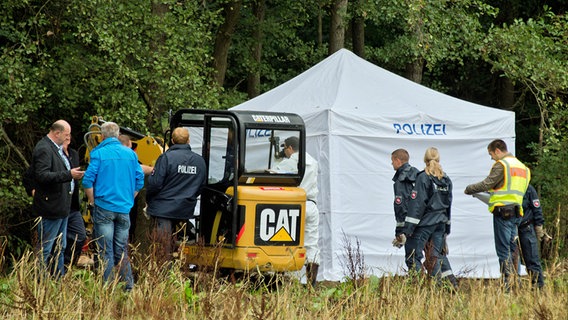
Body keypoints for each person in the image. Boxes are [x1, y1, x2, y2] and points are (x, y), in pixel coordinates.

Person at [82, 122, 144, 291]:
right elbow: (139, 180)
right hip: (124, 208)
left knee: (105, 250)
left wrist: (92, 200)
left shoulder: (98, 153)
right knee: (121, 250)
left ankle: (107, 290)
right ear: (117, 135)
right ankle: (128, 288)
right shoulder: (131, 155)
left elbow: (87, 180)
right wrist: (129, 198)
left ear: (102, 136)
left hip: (104, 207)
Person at [464, 139, 530, 292]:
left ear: (498, 150)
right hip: (516, 213)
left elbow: (488, 183)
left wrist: (469, 189)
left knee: (503, 250)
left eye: (491, 154)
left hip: (503, 213)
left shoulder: (502, 165)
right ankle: (516, 283)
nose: (492, 158)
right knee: (513, 248)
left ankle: (506, 285)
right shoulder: (524, 168)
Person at [391, 149, 458, 289]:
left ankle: (418, 288)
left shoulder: (423, 177)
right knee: (436, 256)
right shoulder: (445, 179)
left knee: (414, 256)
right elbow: (448, 205)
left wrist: (406, 230)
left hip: (426, 224)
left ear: (424, 159)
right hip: (440, 224)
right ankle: (449, 286)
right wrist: (446, 229)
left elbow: (417, 205)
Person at [31, 120, 84, 277]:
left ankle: (57, 280)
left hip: (62, 208)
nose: (69, 138)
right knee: (46, 248)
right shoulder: (44, 149)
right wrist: (69, 175)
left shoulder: (57, 149)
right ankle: (38, 283)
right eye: (66, 135)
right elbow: (41, 175)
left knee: (60, 247)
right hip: (50, 208)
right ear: (57, 133)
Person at [145, 127, 206, 259]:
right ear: (188, 140)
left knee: (163, 248)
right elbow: (201, 185)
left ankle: (163, 272)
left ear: (172, 140)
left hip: (163, 210)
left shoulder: (166, 158)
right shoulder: (199, 161)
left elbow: (155, 184)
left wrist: (149, 201)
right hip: (185, 210)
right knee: (181, 245)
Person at [273, 136, 320, 288]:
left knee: (283, 239)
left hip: (293, 205)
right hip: (311, 204)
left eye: (285, 149)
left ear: (290, 148)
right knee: (311, 244)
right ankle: (311, 285)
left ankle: (280, 281)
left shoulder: (290, 161)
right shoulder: (312, 161)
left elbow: (273, 175)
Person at [62, 138, 93, 268]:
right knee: (56, 241)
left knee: (80, 236)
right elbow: (36, 174)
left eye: (69, 135)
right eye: (65, 135)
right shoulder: (49, 153)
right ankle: (55, 271)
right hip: (57, 204)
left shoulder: (73, 154)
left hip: (73, 206)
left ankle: (68, 264)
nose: (68, 138)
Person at [118, 134, 153, 242]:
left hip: (108, 202)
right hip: (126, 202)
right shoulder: (131, 157)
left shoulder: (107, 157)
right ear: (129, 144)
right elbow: (140, 172)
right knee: (125, 232)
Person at [518, 184, 545, 289]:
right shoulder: (507, 188)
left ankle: (538, 287)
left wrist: (539, 226)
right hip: (511, 229)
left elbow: (537, 208)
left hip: (526, 227)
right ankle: (514, 286)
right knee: (512, 260)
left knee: (532, 259)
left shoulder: (528, 189)